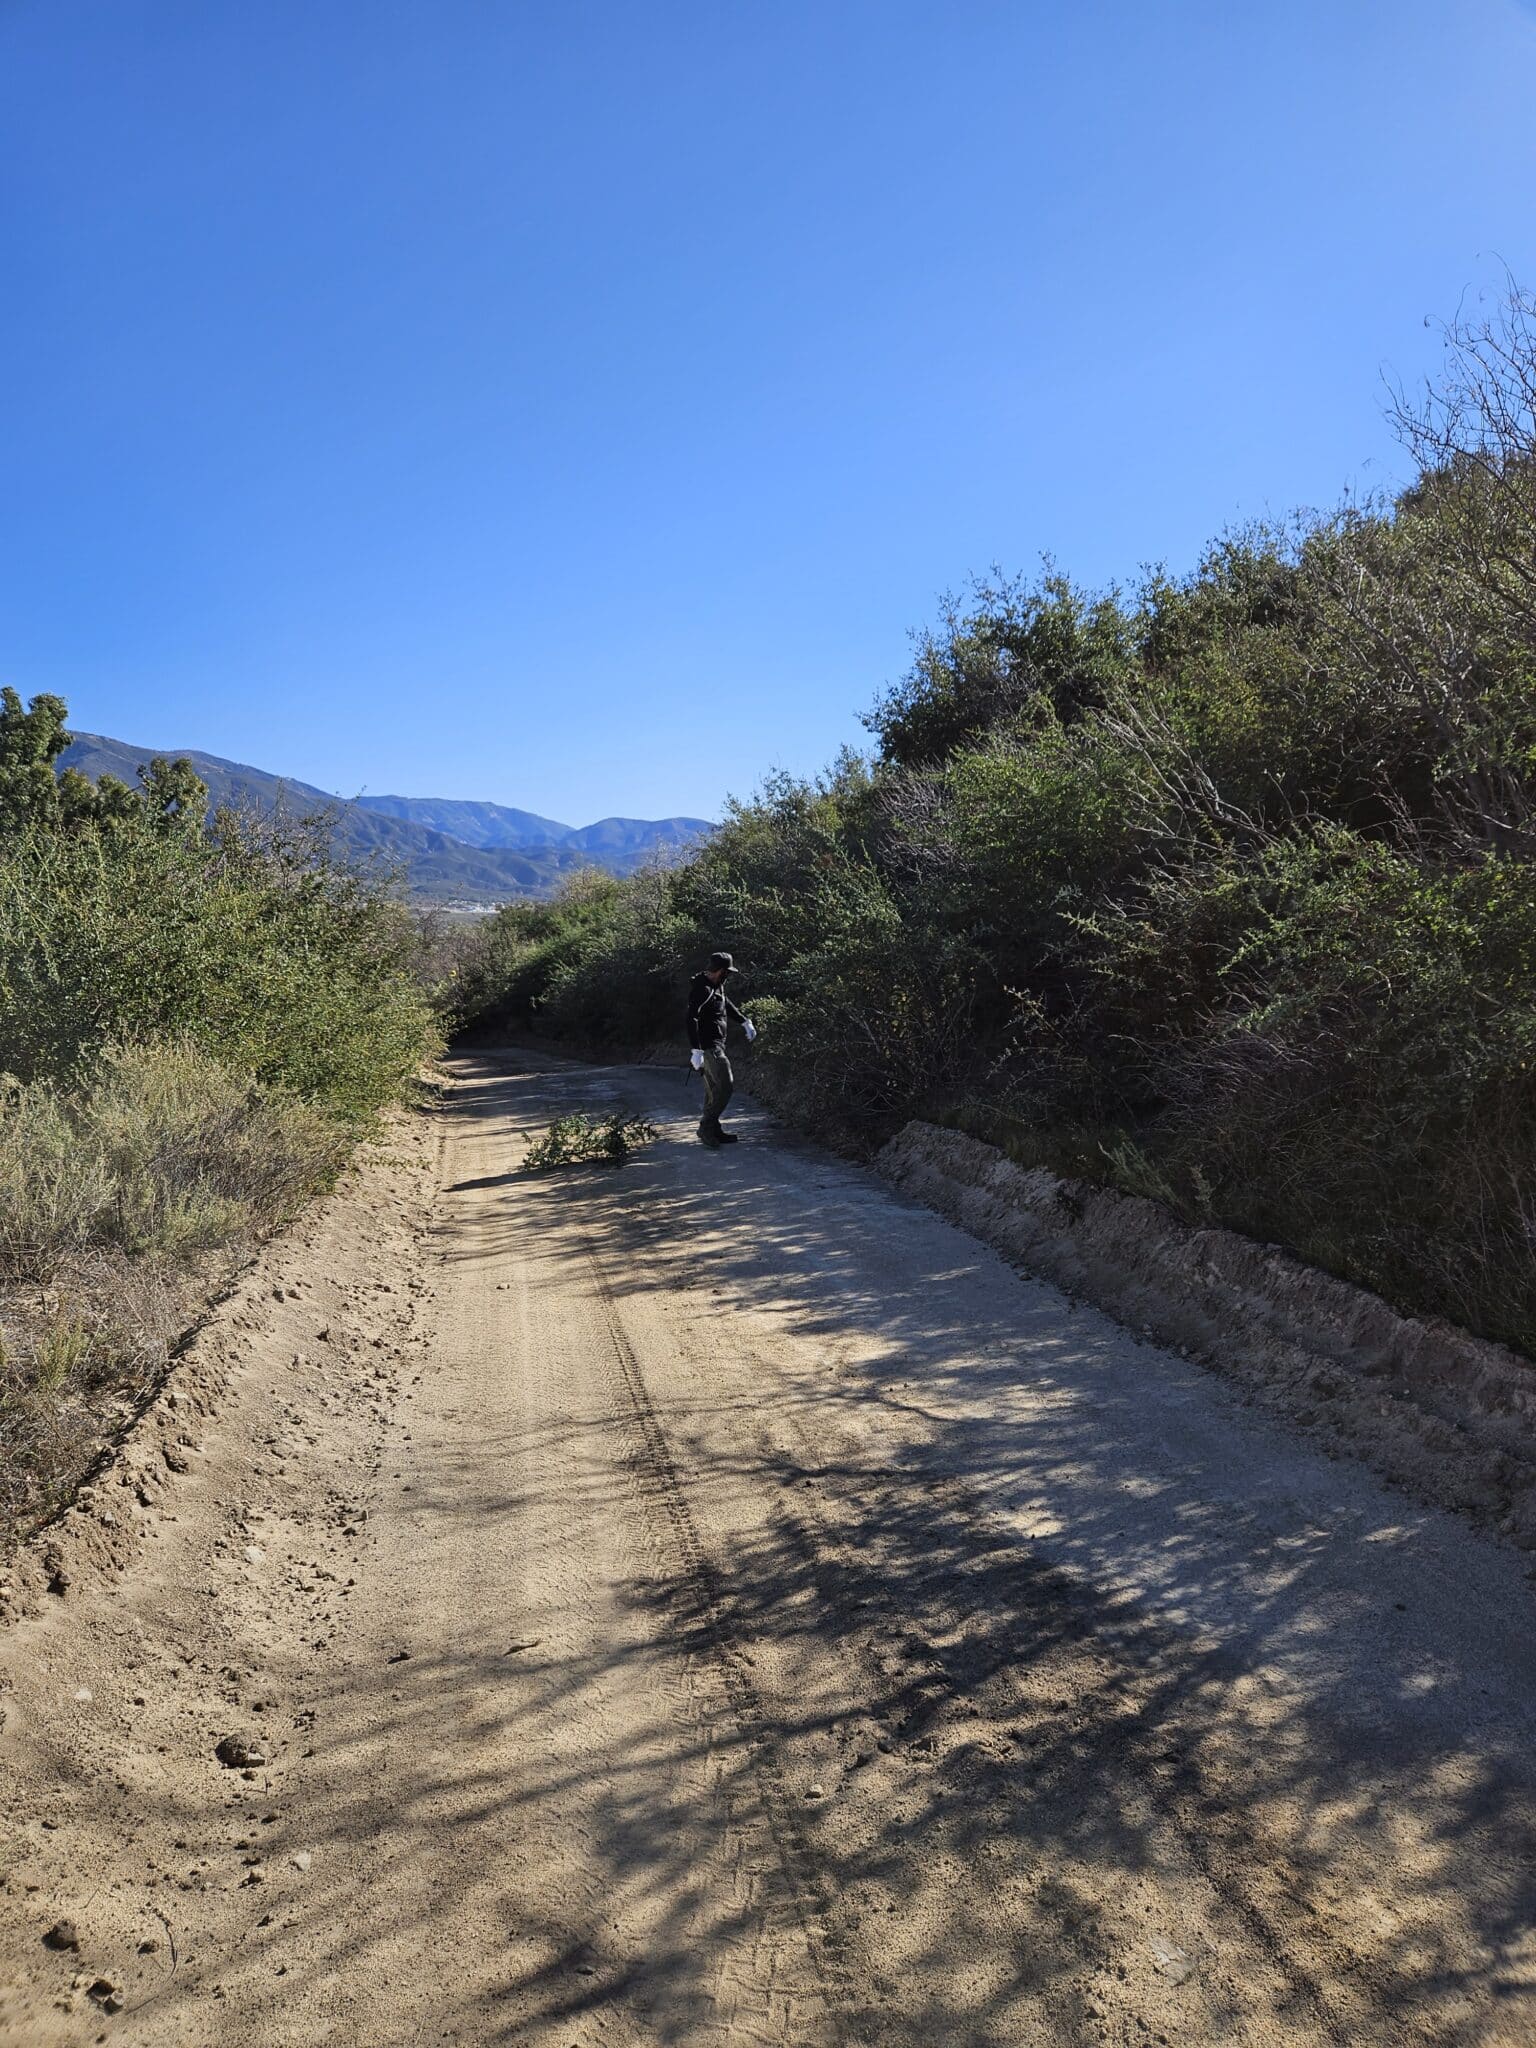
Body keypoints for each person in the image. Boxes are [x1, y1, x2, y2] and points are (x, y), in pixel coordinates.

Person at [687, 950, 756, 1146]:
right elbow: (690, 1018)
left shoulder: (716, 987)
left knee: (713, 1089)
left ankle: (713, 1129)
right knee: (725, 1085)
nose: (728, 976)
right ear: (719, 971)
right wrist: (696, 1050)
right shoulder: (703, 990)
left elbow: (725, 1004)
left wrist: (744, 1021)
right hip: (708, 1047)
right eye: (727, 972)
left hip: (716, 1044)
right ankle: (706, 1127)